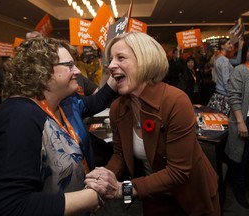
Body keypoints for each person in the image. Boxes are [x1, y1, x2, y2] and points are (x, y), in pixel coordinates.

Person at [85, 32, 220, 216]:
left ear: (144, 60)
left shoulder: (175, 101)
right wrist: (103, 178)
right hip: (152, 196)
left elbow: (177, 172)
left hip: (192, 197)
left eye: (121, 58)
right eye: (110, 59)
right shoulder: (118, 107)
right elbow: (120, 155)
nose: (111, 66)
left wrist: (121, 189)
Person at [0, 37, 116, 216]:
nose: (77, 71)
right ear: (42, 72)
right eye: (69, 65)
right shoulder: (18, 118)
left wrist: (115, 76)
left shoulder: (65, 103)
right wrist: (93, 197)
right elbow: (9, 206)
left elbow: (95, 102)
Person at [225, 39, 249, 208]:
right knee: (242, 156)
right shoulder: (240, 70)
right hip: (244, 119)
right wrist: (240, 122)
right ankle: (238, 186)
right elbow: (234, 97)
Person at [207, 38, 235, 115]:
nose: (231, 45)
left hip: (219, 92)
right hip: (224, 94)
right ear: (222, 46)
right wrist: (232, 96)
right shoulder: (224, 60)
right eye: (229, 44)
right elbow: (226, 80)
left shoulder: (217, 58)